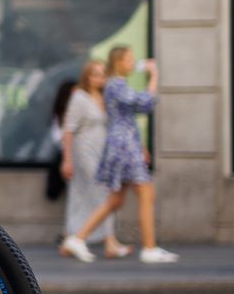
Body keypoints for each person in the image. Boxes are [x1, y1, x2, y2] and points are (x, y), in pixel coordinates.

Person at [67, 46, 179, 263]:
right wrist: (153, 76)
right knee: (145, 192)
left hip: (125, 144)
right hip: (124, 145)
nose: (132, 62)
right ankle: (149, 248)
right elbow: (144, 103)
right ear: (118, 61)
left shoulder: (115, 85)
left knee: (115, 200)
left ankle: (78, 238)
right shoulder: (116, 84)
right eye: (129, 59)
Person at [57, 60, 134, 262]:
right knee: (104, 195)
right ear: (87, 77)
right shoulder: (79, 97)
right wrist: (67, 160)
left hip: (102, 151)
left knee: (86, 196)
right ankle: (102, 241)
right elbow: (68, 128)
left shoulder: (105, 97)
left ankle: (73, 239)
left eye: (102, 74)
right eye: (95, 74)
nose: (100, 78)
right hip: (83, 151)